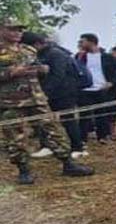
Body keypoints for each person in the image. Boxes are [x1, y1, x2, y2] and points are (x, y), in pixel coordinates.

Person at [0, 18, 94, 184]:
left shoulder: (28, 50)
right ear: (2, 30)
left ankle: (68, 163)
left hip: (37, 98)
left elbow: (39, 68)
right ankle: (24, 171)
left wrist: (42, 69)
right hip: (11, 101)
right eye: (13, 29)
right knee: (16, 137)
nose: (17, 33)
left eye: (20, 30)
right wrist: (11, 73)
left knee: (54, 130)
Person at [21, 32, 87, 159]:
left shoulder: (56, 54)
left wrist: (45, 93)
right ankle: (48, 146)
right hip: (46, 93)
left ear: (37, 44)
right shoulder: (37, 55)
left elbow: (58, 76)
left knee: (68, 120)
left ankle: (78, 147)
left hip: (64, 93)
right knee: (44, 120)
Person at [76, 33, 116, 144]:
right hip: (85, 90)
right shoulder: (80, 57)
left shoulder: (107, 57)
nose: (81, 43)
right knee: (84, 115)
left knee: (102, 114)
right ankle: (82, 139)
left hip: (102, 90)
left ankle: (103, 137)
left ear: (91, 42)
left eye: (83, 41)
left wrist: (111, 82)